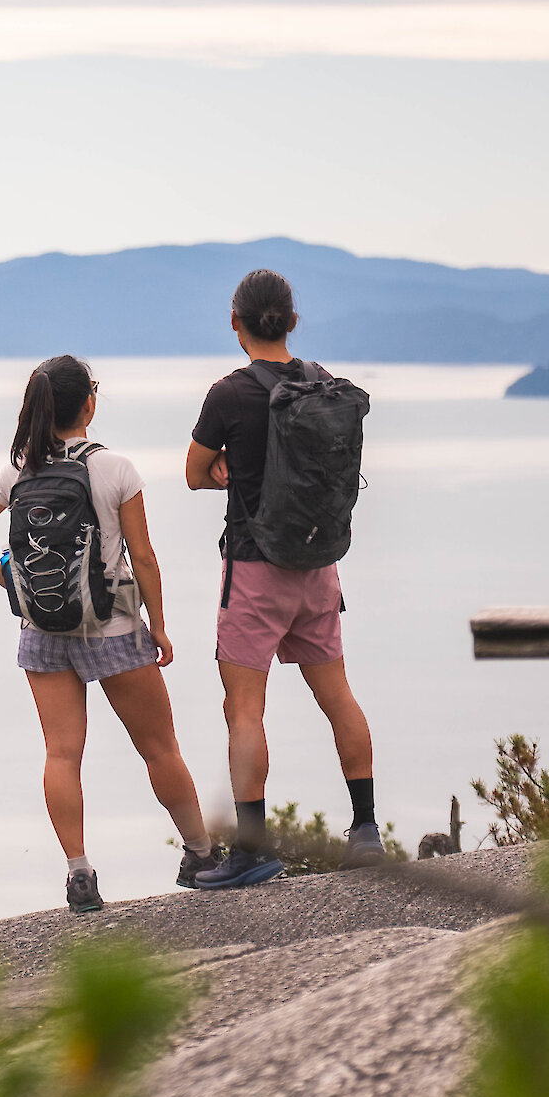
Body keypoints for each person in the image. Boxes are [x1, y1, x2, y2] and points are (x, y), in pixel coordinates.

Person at [0, 354, 219, 914]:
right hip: (114, 627)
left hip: (42, 632)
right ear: (88, 404)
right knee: (159, 748)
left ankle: (79, 874)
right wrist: (160, 627)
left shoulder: (18, 469)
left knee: (62, 754)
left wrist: (14, 585)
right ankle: (200, 854)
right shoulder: (117, 468)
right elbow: (143, 556)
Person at [184, 270, 384, 889]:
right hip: (319, 565)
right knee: (338, 696)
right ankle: (366, 830)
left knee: (243, 710)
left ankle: (252, 851)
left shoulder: (228, 395)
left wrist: (226, 467)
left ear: (236, 323)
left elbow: (194, 473)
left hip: (254, 570)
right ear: (292, 321)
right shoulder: (325, 386)